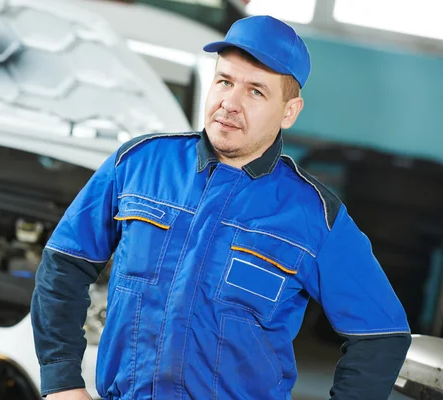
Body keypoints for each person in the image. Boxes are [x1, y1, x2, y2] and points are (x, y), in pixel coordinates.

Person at [31, 15, 411, 400]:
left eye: (255, 92)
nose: (230, 102)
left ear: (289, 111)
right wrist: (61, 380)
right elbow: (64, 264)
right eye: (225, 81)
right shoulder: (139, 164)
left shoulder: (314, 216)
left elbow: (382, 336)